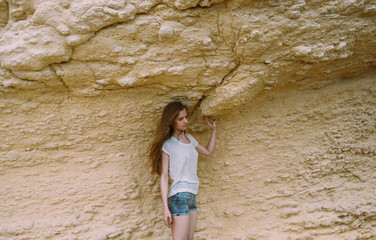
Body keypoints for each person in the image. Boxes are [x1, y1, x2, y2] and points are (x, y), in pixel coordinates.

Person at [149, 101, 216, 240]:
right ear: (172, 121)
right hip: (178, 197)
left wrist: (213, 131)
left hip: (192, 196)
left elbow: (208, 152)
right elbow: (164, 177)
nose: (185, 121)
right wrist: (165, 208)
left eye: (186, 117)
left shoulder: (190, 139)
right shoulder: (168, 145)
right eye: (180, 119)